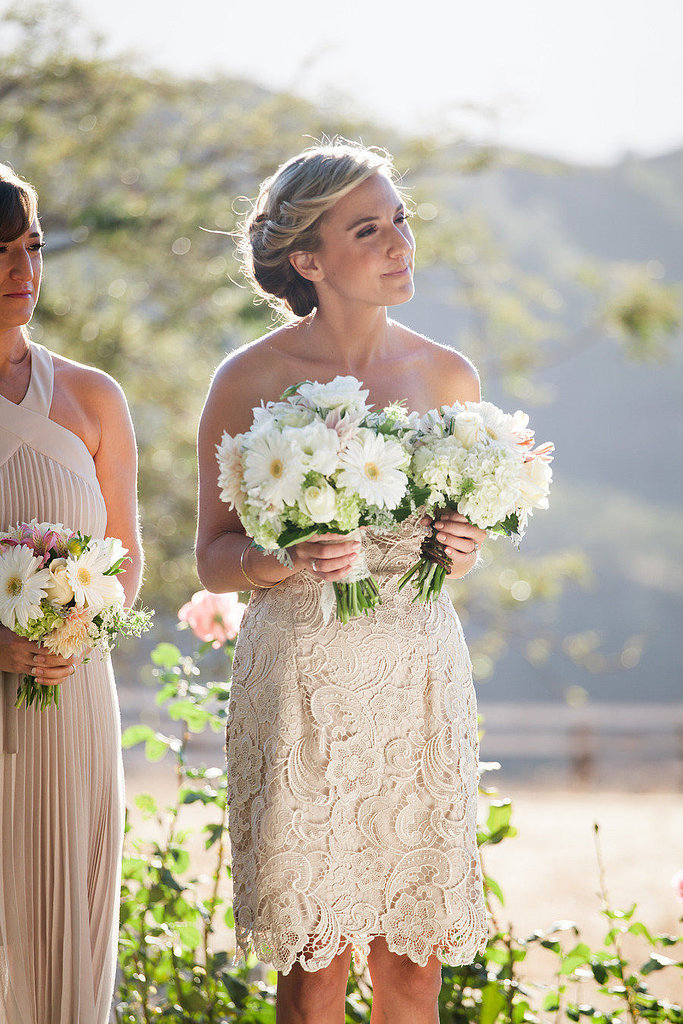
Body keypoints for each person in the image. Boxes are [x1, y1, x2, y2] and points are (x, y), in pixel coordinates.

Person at [196, 140, 488, 1024]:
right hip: (302, 683)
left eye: (399, 219)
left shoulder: (446, 376)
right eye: (370, 229)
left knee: (415, 961)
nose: (400, 243)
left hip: (416, 679)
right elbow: (212, 554)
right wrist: (278, 560)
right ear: (308, 259)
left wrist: (462, 548)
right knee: (314, 963)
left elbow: (460, 542)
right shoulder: (249, 379)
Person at [0, 164, 143, 1024]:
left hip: (71, 696)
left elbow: (125, 558)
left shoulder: (94, 397)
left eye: (32, 246)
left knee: (68, 936)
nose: (22, 271)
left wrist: (84, 627)